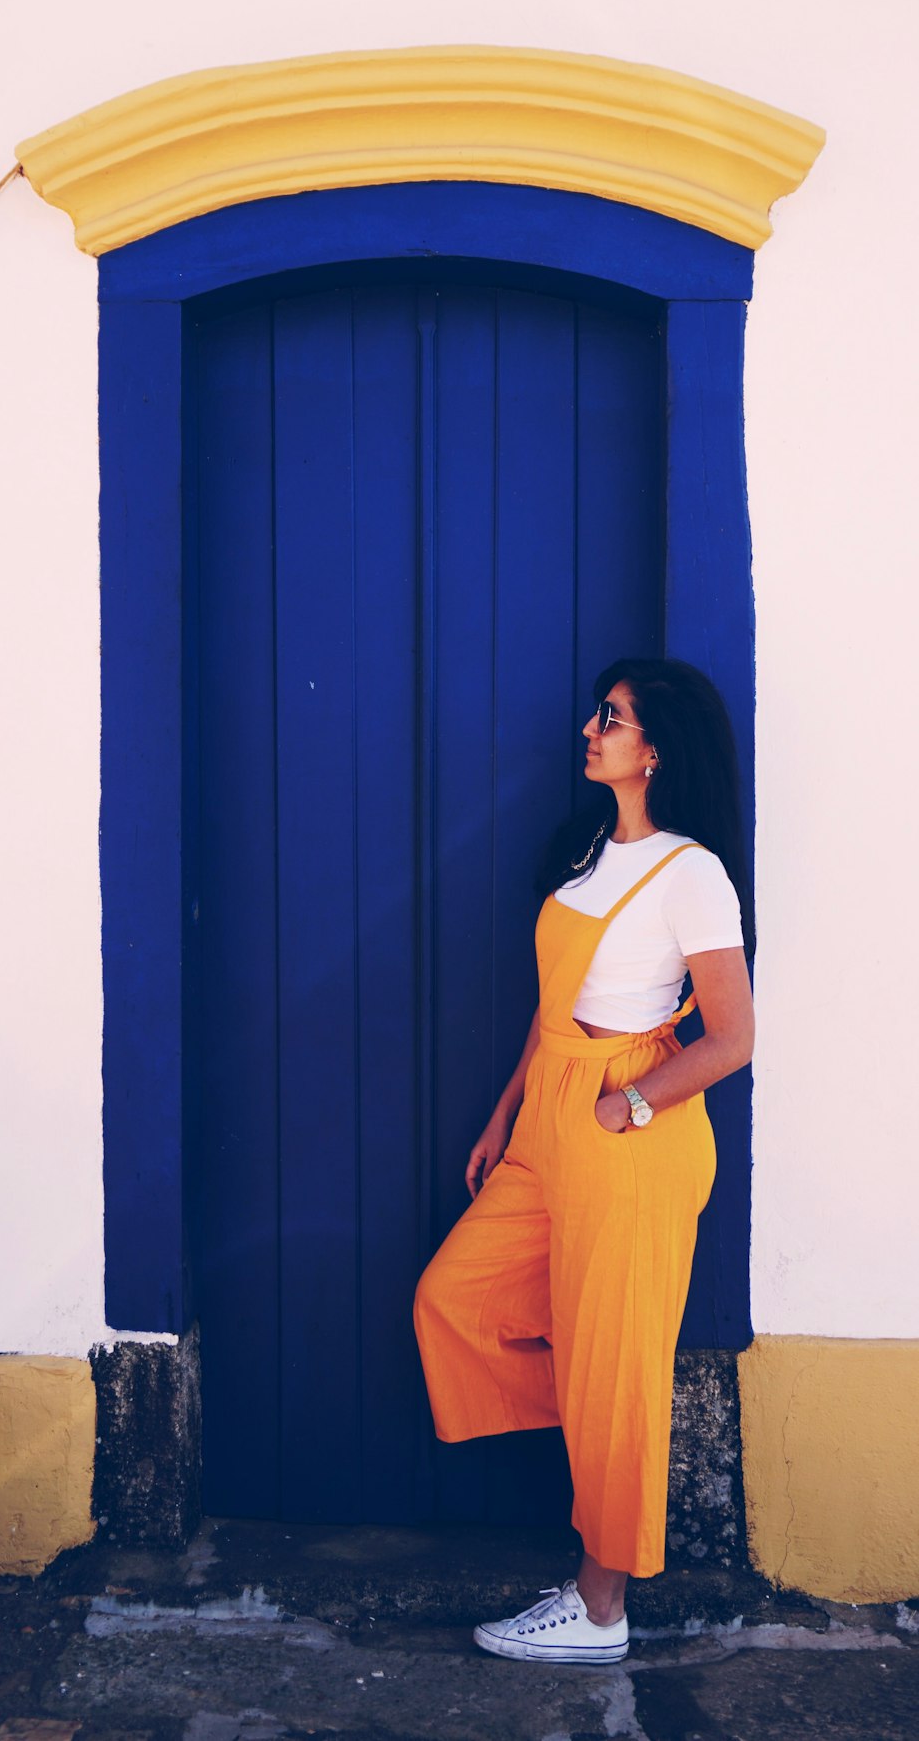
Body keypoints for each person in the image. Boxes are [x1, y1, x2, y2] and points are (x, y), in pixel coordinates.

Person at [412, 656, 755, 1666]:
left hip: (625, 1131)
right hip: (551, 1114)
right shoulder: (591, 849)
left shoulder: (690, 871)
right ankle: (602, 1420)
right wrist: (505, 1108)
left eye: (610, 718)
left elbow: (730, 1035)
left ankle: (600, 1610)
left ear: (653, 749)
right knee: (453, 1300)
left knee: (615, 1369)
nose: (588, 728)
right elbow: (552, 1003)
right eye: (597, 713)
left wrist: (632, 1100)